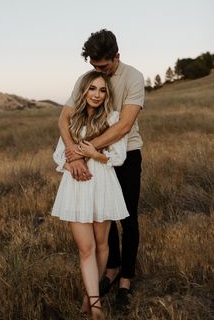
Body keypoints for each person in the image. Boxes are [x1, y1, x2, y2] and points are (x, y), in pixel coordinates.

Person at [58, 29, 145, 311]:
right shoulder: (90, 79)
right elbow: (65, 117)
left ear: (116, 57)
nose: (99, 71)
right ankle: (110, 270)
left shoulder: (133, 77)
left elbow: (124, 126)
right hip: (88, 155)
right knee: (101, 216)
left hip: (125, 153)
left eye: (103, 66)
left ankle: (125, 281)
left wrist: (85, 150)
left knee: (128, 218)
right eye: (94, 67)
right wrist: (73, 155)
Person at [51, 71, 129, 320]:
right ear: (83, 91)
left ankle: (88, 296)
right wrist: (71, 164)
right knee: (86, 249)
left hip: (102, 182)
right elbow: (58, 155)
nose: (97, 95)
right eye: (92, 89)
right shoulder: (72, 120)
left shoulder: (113, 117)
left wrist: (95, 155)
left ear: (107, 94)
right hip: (76, 186)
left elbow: (119, 157)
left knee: (102, 245)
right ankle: (96, 308)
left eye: (102, 90)